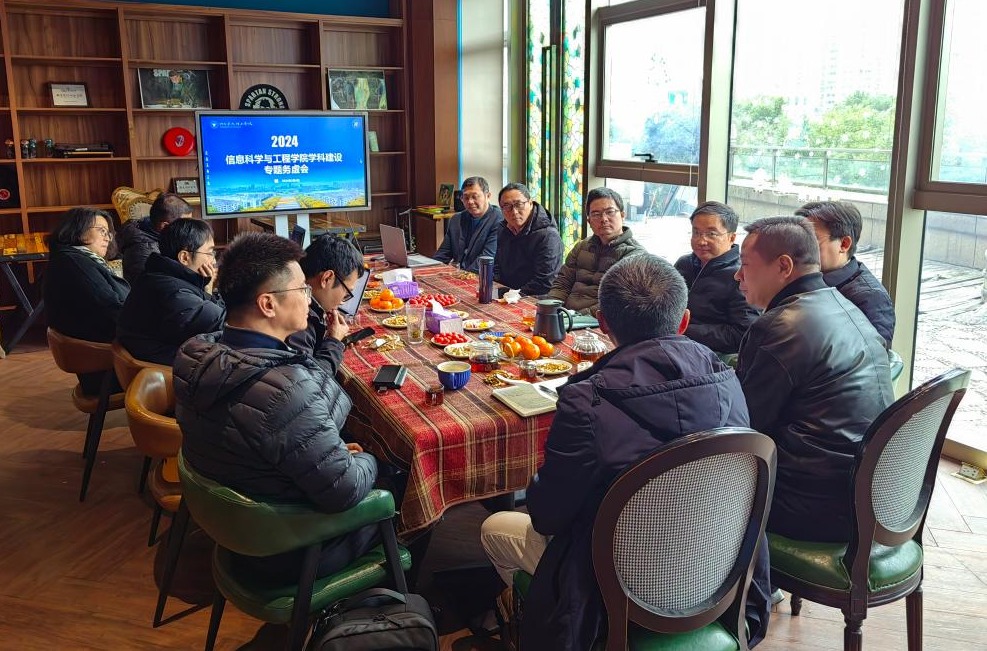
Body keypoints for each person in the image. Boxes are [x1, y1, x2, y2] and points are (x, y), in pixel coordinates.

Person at [481, 254, 770, 650]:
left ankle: (526, 627)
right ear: (683, 321)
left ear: (602, 322)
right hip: (719, 568)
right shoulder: (727, 379)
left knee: (494, 528)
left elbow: (547, 517)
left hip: (612, 587)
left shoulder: (587, 402)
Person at [174, 232, 378, 585]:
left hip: (234, 532)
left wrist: (326, 448)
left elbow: (285, 431)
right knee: (398, 478)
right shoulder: (285, 389)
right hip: (288, 547)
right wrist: (370, 459)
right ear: (268, 304)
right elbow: (344, 489)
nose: (308, 298)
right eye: (302, 290)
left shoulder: (196, 354)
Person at [734, 216, 893, 542]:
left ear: (783, 266)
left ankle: (712, 572)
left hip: (810, 504)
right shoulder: (843, 305)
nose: (737, 275)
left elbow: (744, 424)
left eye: (745, 264)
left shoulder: (780, 326)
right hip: (868, 494)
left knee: (683, 485)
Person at [44, 207, 130, 394]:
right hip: (111, 370)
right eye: (101, 231)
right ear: (79, 230)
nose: (108, 238)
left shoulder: (73, 259)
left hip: (106, 363)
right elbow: (111, 310)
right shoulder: (75, 263)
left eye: (109, 233)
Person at [116, 218, 225, 365]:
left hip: (160, 357)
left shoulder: (158, 275)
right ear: (184, 257)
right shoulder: (174, 292)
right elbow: (227, 323)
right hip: (166, 369)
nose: (213, 261)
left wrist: (207, 286)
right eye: (210, 253)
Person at [796, 200, 895, 348]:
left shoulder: (871, 298)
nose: (800, 249)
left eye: (811, 241)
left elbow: (873, 356)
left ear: (844, 244)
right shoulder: (801, 276)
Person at [674, 201, 760, 355]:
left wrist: (684, 329)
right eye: (696, 233)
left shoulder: (741, 275)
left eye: (711, 234)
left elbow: (743, 333)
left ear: (732, 237)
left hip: (711, 355)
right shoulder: (684, 264)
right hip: (674, 343)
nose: (701, 241)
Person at [547, 187, 645, 315]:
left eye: (610, 212)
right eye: (596, 214)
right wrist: (550, 309)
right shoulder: (581, 247)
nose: (604, 219)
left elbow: (617, 302)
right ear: (589, 221)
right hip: (565, 314)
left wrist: (577, 317)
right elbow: (562, 283)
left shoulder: (635, 256)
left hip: (599, 320)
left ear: (622, 215)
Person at [286, 234, 365, 372]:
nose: (342, 302)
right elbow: (312, 380)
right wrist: (334, 343)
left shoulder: (291, 290)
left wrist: (329, 341)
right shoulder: (299, 319)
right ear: (326, 278)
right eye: (346, 293)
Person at [493, 182, 563, 296]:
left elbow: (544, 283)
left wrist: (510, 294)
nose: (514, 211)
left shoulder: (548, 236)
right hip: (507, 292)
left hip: (535, 297)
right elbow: (497, 266)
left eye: (519, 204)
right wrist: (495, 290)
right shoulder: (503, 228)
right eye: (507, 206)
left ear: (530, 203)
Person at [432, 176, 503, 272]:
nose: (470, 201)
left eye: (475, 196)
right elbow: (443, 254)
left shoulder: (499, 219)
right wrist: (429, 270)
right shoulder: (456, 219)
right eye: (465, 197)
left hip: (485, 276)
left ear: (488, 196)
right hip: (459, 274)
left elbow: (486, 258)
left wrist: (462, 276)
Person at [118, 192, 192, 283]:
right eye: (185, 225)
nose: (189, 230)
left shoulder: (157, 233)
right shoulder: (144, 251)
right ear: (164, 226)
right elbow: (162, 286)